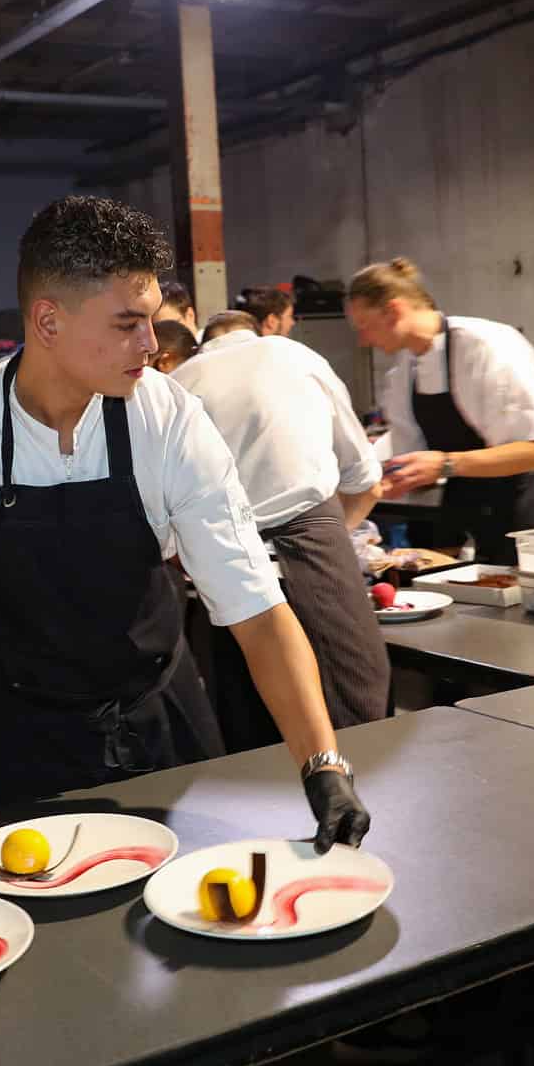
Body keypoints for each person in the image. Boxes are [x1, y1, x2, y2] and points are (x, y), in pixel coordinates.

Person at [0, 196, 371, 853]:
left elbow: (254, 606)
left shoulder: (167, 418)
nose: (151, 344)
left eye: (152, 320)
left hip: (164, 719)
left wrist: (322, 763)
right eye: (128, 324)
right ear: (47, 321)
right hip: (23, 740)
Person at [171, 309, 390, 751]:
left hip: (224, 565)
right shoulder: (294, 355)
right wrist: (335, 531)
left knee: (244, 720)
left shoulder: (177, 385)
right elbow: (365, 481)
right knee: (354, 699)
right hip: (314, 544)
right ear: (255, 330)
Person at [347, 258, 534, 565]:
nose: (363, 340)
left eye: (364, 326)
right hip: (472, 513)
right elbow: (414, 457)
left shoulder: (489, 346)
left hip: (530, 514)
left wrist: (445, 464)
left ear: (394, 310)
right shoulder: (402, 373)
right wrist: (390, 481)